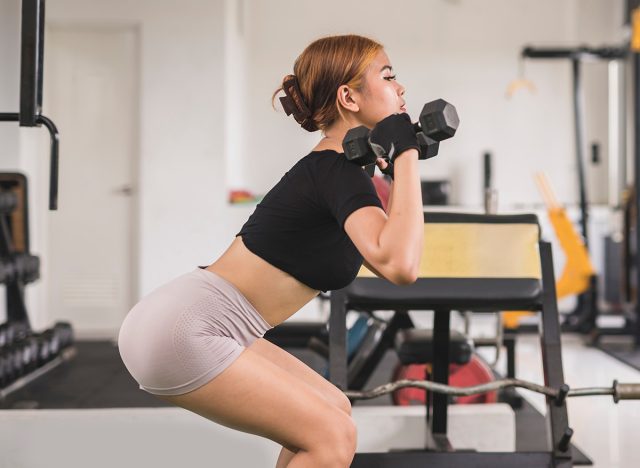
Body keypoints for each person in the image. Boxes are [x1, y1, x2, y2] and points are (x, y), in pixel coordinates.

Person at [118, 34, 424, 468]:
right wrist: (407, 153)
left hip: (211, 323)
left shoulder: (340, 171)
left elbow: (392, 246)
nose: (401, 88)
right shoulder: (336, 170)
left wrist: (399, 161)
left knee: (334, 411)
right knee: (332, 437)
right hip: (189, 326)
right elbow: (401, 265)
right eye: (389, 76)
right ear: (348, 97)